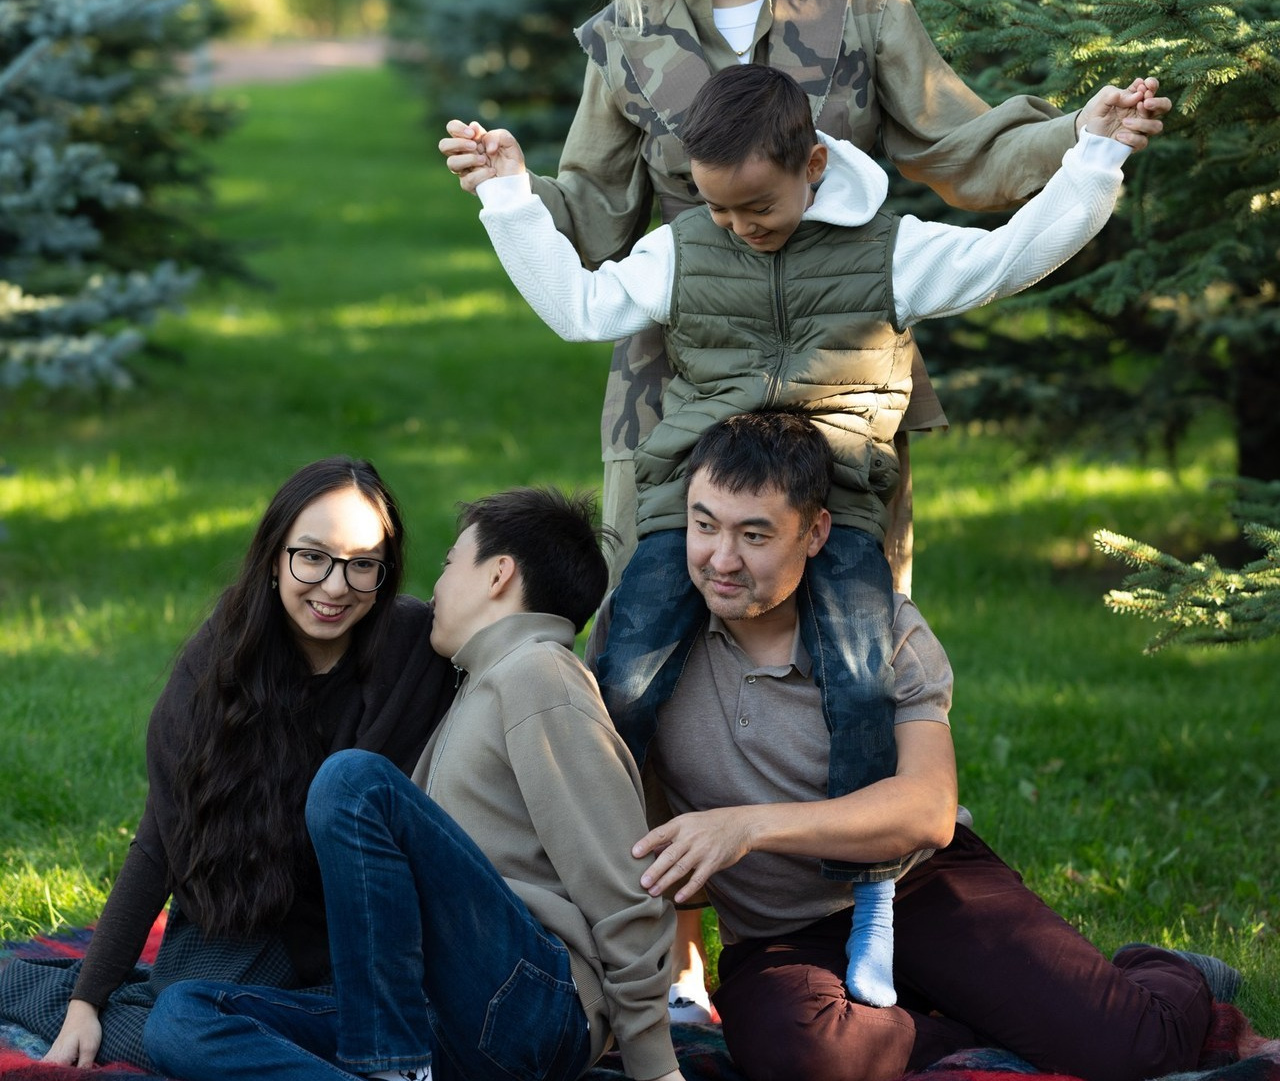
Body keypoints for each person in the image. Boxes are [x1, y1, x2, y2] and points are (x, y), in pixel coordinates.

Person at [443, 61, 1165, 1007]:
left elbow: (1010, 256)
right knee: (621, 674)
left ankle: (870, 896)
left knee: (860, 675)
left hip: (835, 506)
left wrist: (1097, 151)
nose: (737, 227)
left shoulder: (886, 248)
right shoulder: (687, 247)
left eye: (758, 208)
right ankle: (619, 909)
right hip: (698, 503)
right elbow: (579, 309)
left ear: (815, 163)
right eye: (717, 207)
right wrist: (508, 196)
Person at [438, 0, 1172, 598]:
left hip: (841, 374)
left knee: (852, 627)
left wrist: (1081, 136)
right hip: (679, 379)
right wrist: (511, 185)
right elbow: (592, 211)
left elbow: (961, 150)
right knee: (653, 623)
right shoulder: (626, 37)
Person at [588, 408, 1234, 1081]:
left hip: (918, 885)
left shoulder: (884, 630)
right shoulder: (638, 639)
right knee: (799, 1059)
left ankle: (1164, 973)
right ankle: (981, 1024)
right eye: (704, 525)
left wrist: (748, 827)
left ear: (815, 533)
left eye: (755, 535)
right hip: (778, 935)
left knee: (1134, 1050)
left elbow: (926, 809)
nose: (722, 559)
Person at [144, 488, 681, 1081]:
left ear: (498, 575)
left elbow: (624, 880)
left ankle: (392, 1067)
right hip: (441, 1019)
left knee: (352, 780)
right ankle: (398, 1070)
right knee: (184, 1016)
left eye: (450, 564)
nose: (434, 590)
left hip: (534, 1000)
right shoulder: (476, 687)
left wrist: (653, 1066)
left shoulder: (539, 673)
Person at [0, 457, 456, 1069]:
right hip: (241, 907)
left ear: (386, 570)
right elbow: (160, 839)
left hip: (356, 930)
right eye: (312, 556)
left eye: (363, 565)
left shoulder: (415, 647)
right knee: (167, 1027)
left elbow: (525, 681)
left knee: (337, 1028)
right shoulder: (222, 659)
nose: (336, 586)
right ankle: (56, 993)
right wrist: (87, 997)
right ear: (274, 557)